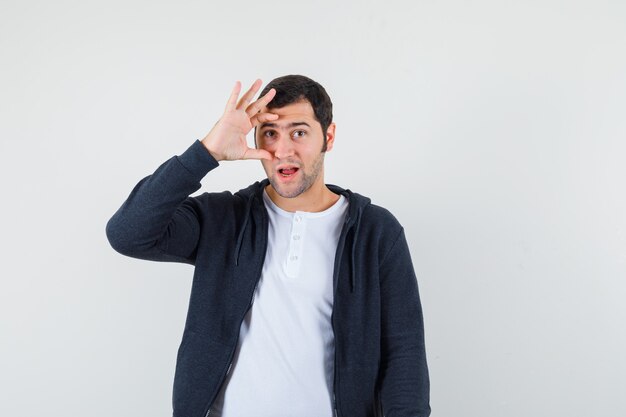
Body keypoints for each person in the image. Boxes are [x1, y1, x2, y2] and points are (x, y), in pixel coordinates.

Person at [106, 75, 430, 417]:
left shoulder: (375, 232)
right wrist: (206, 152)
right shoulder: (223, 219)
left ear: (328, 137)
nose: (283, 150)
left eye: (299, 132)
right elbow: (128, 233)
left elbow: (404, 352)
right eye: (270, 133)